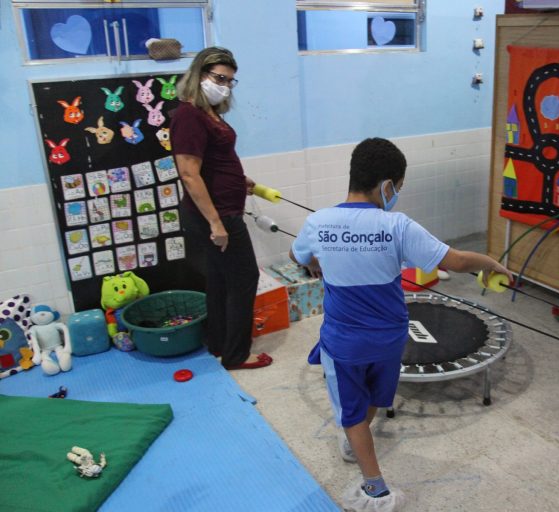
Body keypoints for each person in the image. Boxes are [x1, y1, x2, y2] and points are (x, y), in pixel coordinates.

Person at [290, 137, 515, 511]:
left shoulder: (318, 222)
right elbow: (456, 261)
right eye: (400, 188)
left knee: (351, 409)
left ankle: (374, 487)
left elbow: (301, 256)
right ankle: (356, 442)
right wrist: (490, 262)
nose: (398, 196)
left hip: (345, 342)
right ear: (387, 186)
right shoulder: (397, 225)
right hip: (391, 338)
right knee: (376, 395)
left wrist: (316, 261)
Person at [171, 47, 271, 370]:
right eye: (218, 78)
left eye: (229, 81)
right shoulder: (188, 115)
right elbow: (188, 173)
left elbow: (214, 162)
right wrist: (216, 223)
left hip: (224, 206)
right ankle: (237, 354)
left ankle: (218, 344)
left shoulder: (208, 113)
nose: (224, 86)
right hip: (217, 215)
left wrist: (238, 180)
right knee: (245, 278)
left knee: (219, 279)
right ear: (199, 74)